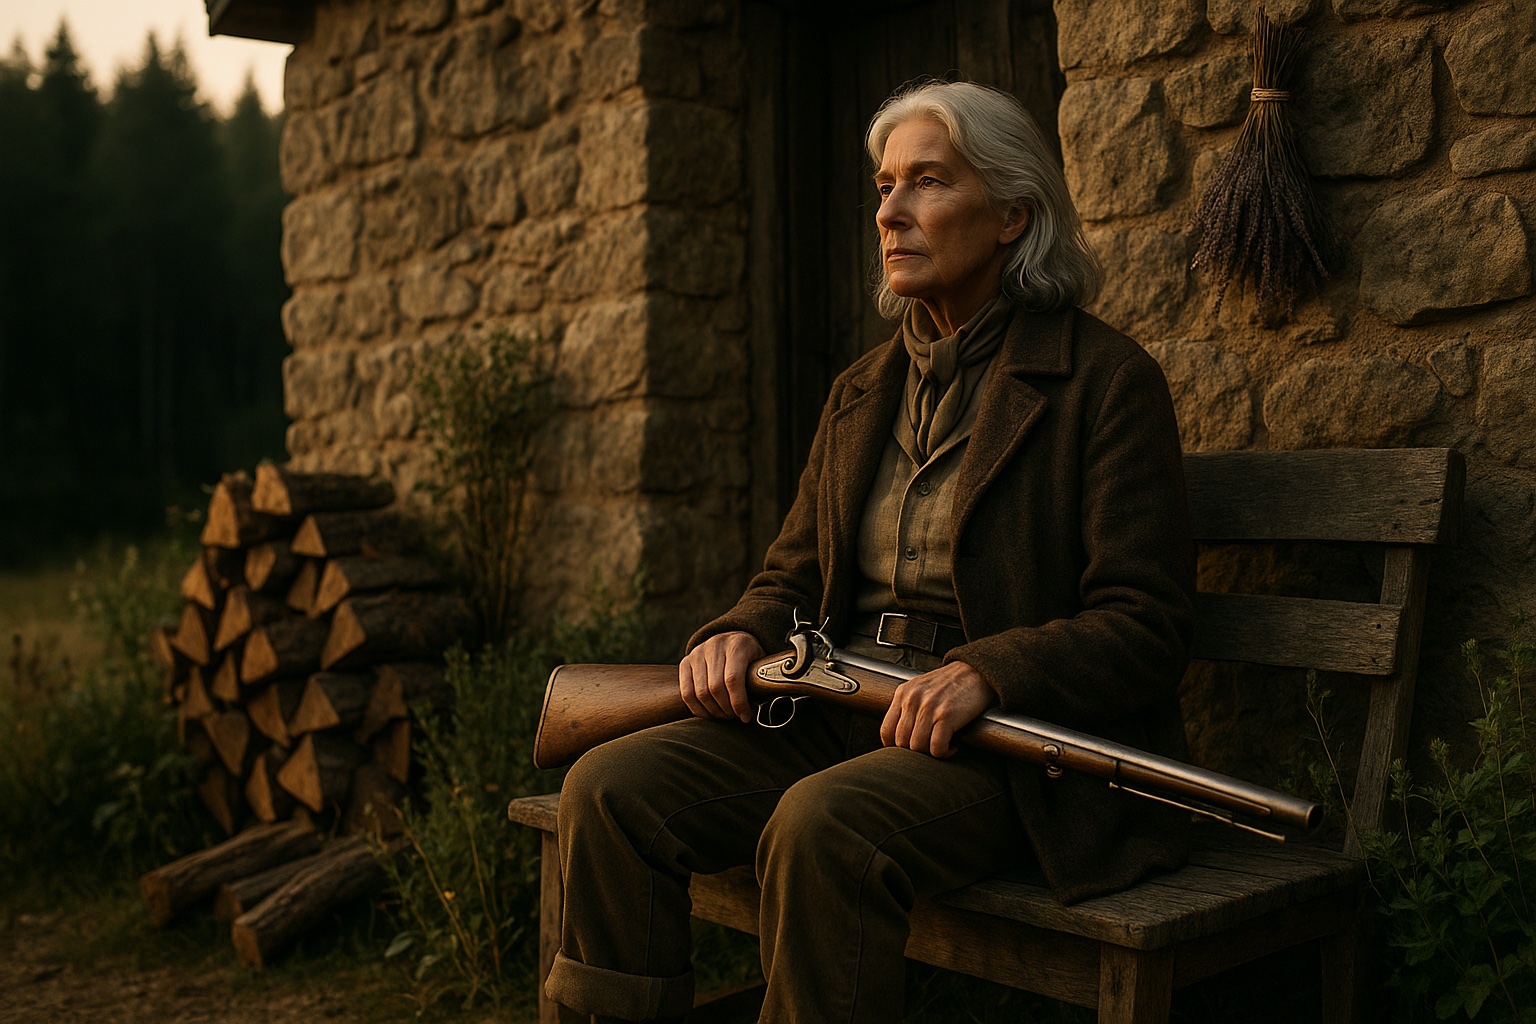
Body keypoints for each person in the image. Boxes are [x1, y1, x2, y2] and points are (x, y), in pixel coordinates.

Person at [544, 79, 1196, 1023]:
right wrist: (740, 633)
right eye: (885, 186)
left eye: (927, 181)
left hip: (1006, 751)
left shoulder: (1107, 382)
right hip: (835, 706)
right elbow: (791, 575)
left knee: (820, 826)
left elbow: (1147, 623)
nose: (890, 212)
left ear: (1013, 215)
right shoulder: (861, 390)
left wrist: (990, 672)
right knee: (608, 788)